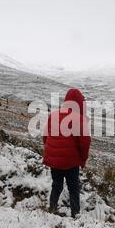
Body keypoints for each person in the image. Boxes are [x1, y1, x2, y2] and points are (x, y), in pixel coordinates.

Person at [42, 88, 91, 218]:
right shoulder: (80, 119)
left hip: (55, 162)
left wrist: (52, 152)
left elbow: (45, 137)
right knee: (73, 188)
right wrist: (83, 160)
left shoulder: (54, 115)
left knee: (56, 185)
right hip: (71, 162)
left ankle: (52, 209)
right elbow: (85, 143)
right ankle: (75, 214)